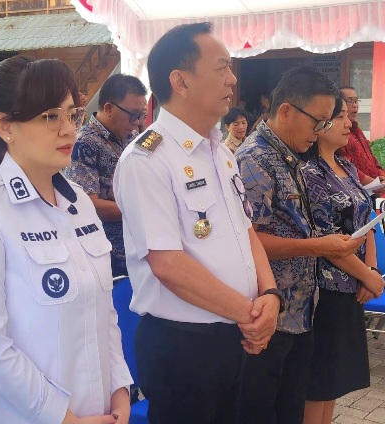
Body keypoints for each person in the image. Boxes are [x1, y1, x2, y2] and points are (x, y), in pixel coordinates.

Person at [0, 56, 132, 424]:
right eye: (50, 117)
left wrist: (119, 391)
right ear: (5, 126)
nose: (68, 130)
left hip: (94, 412)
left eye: (72, 115)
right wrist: (63, 418)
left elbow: (103, 314)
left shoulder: (79, 202)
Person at [113, 22, 280, 424]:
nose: (232, 78)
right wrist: (250, 315)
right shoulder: (146, 160)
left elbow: (245, 231)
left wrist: (270, 294)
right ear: (180, 81)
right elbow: (167, 264)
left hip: (237, 334)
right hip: (185, 346)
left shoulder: (219, 152)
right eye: (221, 67)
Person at [235, 66, 365, 424]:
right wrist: (319, 247)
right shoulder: (255, 159)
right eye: (318, 121)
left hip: (300, 311)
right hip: (269, 317)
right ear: (286, 111)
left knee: (292, 409)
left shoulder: (291, 155)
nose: (320, 131)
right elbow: (248, 240)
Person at [301, 95, 384, 424]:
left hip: (354, 285)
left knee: (335, 378)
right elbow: (325, 239)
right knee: (319, 379)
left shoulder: (347, 167)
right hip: (326, 288)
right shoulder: (309, 173)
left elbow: (367, 221)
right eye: (339, 117)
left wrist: (371, 269)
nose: (349, 122)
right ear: (320, 124)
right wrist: (366, 275)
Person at [64, 74, 147, 277]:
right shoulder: (84, 143)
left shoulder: (132, 138)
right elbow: (86, 204)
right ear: (109, 109)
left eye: (142, 115)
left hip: (139, 244)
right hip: (108, 253)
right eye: (133, 115)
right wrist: (142, 209)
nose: (137, 122)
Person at [339, 85, 385, 187]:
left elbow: (373, 159)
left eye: (356, 101)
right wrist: (373, 183)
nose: (355, 105)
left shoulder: (358, 131)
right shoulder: (339, 134)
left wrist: (381, 176)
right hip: (358, 190)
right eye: (350, 101)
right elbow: (345, 165)